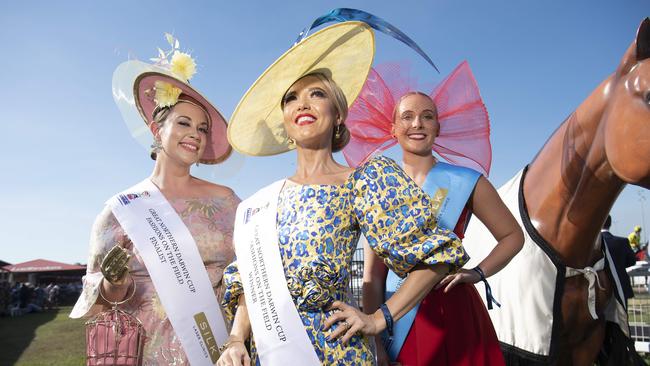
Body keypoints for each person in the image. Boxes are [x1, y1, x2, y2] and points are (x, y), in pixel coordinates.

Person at [217, 22, 467, 366]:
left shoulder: (365, 179)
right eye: (291, 97)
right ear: (285, 121)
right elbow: (248, 279)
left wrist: (378, 318)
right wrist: (234, 339)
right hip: (268, 353)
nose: (302, 103)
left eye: (316, 94)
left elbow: (434, 256)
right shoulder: (258, 204)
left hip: (333, 350)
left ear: (337, 115)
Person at [70, 34, 238, 365]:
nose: (195, 134)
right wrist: (112, 284)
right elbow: (97, 302)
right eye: (184, 123)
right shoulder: (121, 210)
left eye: (203, 129)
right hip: (147, 350)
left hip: (216, 349)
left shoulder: (227, 202)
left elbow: (247, 277)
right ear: (156, 129)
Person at [344, 62, 524, 365]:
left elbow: (512, 236)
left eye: (428, 116)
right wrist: (375, 341)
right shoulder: (378, 187)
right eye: (407, 117)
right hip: (396, 318)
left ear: (438, 128)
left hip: (454, 309)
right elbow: (373, 276)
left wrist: (477, 273)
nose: (418, 124)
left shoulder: (467, 181)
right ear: (392, 129)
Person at [602, 215, 636, 307]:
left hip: (600, 286)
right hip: (620, 284)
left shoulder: (593, 243)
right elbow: (632, 261)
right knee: (621, 318)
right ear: (610, 224)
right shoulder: (623, 241)